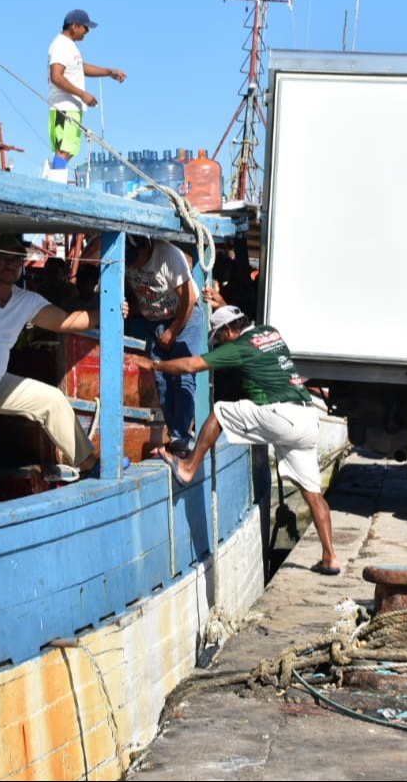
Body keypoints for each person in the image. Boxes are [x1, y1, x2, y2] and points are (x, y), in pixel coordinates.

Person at [130, 300, 340, 574]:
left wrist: (154, 364)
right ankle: (330, 557)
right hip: (307, 418)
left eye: (219, 337)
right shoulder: (270, 332)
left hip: (282, 416)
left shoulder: (239, 348)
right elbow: (236, 319)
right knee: (314, 495)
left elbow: (191, 365)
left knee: (219, 412)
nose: (218, 342)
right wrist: (223, 303)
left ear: (229, 331)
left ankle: (188, 468)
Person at [0, 235, 99, 509]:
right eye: (3, 257)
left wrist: (109, 311)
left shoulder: (25, 300)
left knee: (52, 400)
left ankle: (88, 463)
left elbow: (68, 321)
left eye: (16, 260)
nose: (10, 264)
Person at [125, 235, 203, 455]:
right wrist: (129, 308)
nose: (133, 263)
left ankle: (181, 438)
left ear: (146, 245)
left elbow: (187, 299)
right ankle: (175, 435)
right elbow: (135, 297)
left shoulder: (168, 255)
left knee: (184, 375)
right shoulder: (124, 259)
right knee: (161, 379)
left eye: (135, 257)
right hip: (154, 320)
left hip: (184, 318)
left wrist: (173, 331)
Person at [46, 9, 125, 173]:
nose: (87, 31)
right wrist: (82, 94)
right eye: (85, 27)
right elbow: (56, 76)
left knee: (70, 149)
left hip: (73, 108)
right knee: (63, 150)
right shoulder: (60, 45)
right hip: (64, 107)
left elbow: (81, 67)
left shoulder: (70, 46)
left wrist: (109, 72)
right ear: (75, 26)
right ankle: (57, 185)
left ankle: (58, 179)